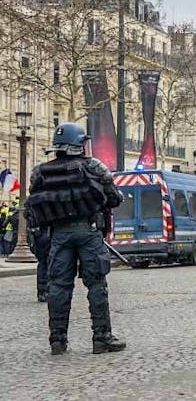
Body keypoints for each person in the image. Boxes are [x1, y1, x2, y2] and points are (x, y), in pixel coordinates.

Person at [25, 123, 125, 355]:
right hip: (88, 232)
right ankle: (102, 337)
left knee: (58, 286)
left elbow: (36, 199)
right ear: (80, 144)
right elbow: (114, 198)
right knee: (96, 284)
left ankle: (57, 340)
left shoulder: (41, 171)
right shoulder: (94, 167)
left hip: (58, 234)